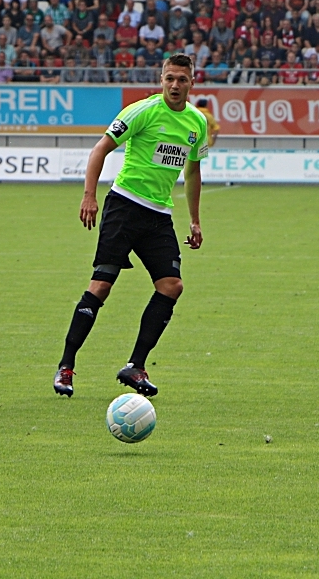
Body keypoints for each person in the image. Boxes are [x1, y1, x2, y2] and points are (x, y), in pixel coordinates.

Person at [53, 53, 207, 398]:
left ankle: (135, 366)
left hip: (159, 216)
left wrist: (195, 220)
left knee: (172, 286)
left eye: (182, 79)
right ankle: (66, 366)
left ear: (192, 82)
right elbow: (100, 149)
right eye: (170, 78)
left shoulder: (197, 123)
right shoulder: (143, 111)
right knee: (101, 286)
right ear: (161, 79)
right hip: (124, 207)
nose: (175, 85)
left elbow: (193, 172)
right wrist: (89, 196)